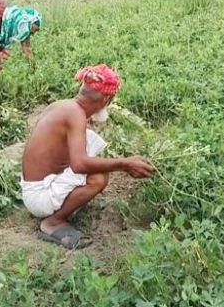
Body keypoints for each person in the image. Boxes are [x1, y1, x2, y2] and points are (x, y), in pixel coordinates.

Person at [20, 64, 155, 249]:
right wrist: (125, 164)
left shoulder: (64, 106)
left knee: (89, 140)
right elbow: (79, 165)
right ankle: (53, 222)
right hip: (39, 196)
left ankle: (64, 202)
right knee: (98, 178)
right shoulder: (75, 114)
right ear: (107, 98)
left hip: (34, 186)